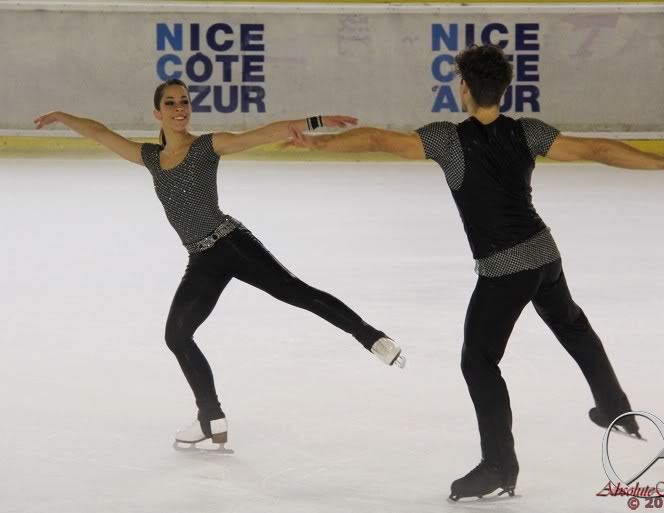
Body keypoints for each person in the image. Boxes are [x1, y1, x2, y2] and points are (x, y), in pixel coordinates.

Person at [288, 45, 664, 500]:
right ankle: (613, 405)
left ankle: (498, 465)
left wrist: (319, 143)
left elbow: (376, 140)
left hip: (506, 267)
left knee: (478, 361)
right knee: (570, 323)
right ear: (504, 89)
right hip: (544, 255)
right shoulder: (527, 132)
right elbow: (598, 149)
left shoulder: (448, 140)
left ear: (464, 89)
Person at [33, 78, 405, 450]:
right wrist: (63, 116)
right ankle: (210, 415)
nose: (179, 109)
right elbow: (101, 133)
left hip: (232, 244)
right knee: (177, 336)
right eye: (170, 103)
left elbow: (259, 135)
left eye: (184, 102)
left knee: (296, 292)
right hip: (202, 259)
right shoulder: (151, 158)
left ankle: (372, 338)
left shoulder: (206, 146)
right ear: (157, 113)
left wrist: (315, 121)